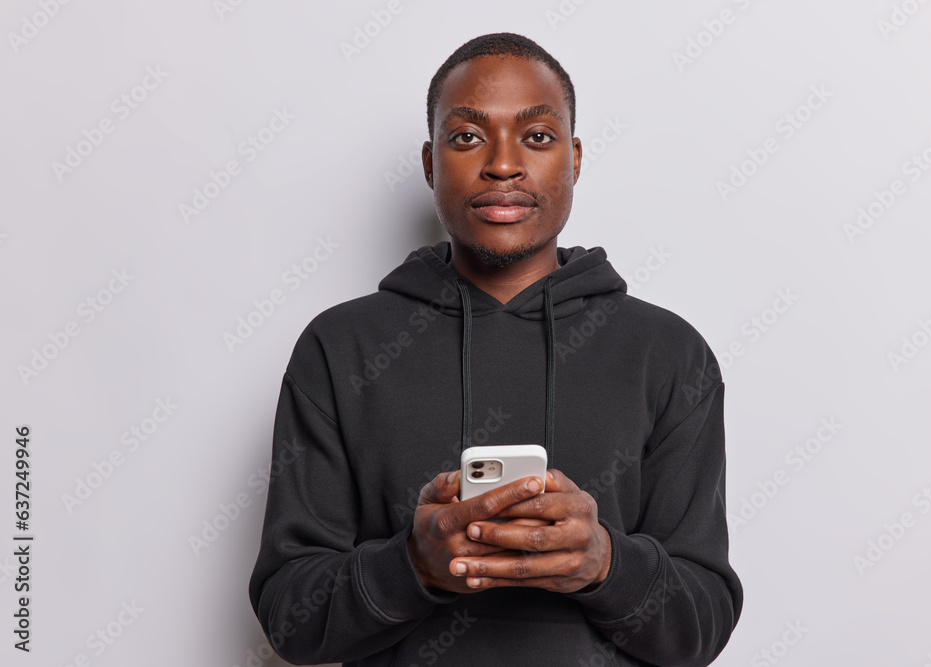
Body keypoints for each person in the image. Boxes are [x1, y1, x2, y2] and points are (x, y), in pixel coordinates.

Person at [249, 32, 743, 666]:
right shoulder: (339, 347)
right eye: (467, 137)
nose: (503, 164)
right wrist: (414, 566)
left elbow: (700, 628)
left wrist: (604, 565)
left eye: (537, 137)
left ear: (576, 158)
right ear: (430, 163)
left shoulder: (669, 353)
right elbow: (290, 620)